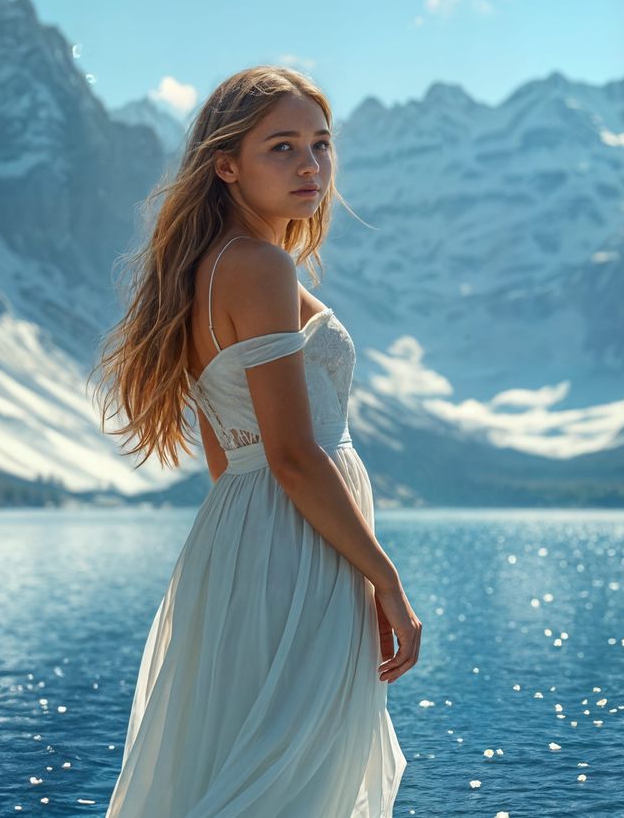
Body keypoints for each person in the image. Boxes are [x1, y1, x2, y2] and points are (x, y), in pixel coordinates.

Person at [92, 65, 420, 816]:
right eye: (282, 147)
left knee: (249, 753)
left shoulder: (205, 273)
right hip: (296, 542)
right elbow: (294, 456)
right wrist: (386, 582)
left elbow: (226, 455)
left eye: (320, 144)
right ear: (226, 164)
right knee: (293, 779)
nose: (310, 165)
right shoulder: (261, 267)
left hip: (252, 541)